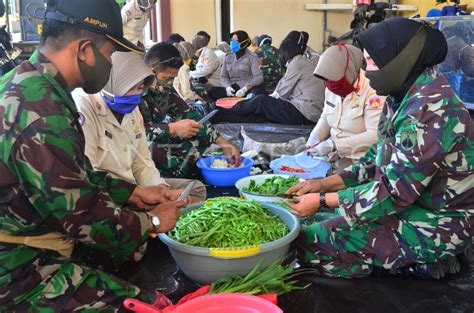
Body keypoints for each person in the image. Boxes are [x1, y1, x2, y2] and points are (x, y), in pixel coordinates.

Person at [0, 0, 185, 311]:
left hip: (35, 235)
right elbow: (83, 216)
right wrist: (152, 221)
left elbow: (75, 176)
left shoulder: (29, 82)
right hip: (18, 267)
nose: (113, 66)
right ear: (85, 50)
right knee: (143, 305)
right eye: (110, 55)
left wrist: (135, 193)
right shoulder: (42, 112)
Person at [285, 18, 474, 279]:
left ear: (400, 59)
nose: (367, 70)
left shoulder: (428, 111)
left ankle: (408, 264)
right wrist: (324, 185)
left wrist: (321, 200)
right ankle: (390, 257)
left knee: (308, 239)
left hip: (440, 222)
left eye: (372, 62)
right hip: (412, 205)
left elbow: (395, 193)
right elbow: (377, 160)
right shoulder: (404, 95)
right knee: (307, 222)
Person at [74, 51, 206, 202]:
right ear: (112, 82)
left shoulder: (132, 110)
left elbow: (142, 161)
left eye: (140, 88)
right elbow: (90, 174)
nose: (135, 96)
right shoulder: (85, 108)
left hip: (135, 184)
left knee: (195, 190)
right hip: (108, 195)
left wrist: (162, 190)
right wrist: (139, 195)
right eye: (130, 87)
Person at [140, 43, 241, 178]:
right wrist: (172, 128)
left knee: (196, 134)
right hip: (135, 144)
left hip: (158, 136)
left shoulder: (164, 87)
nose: (170, 83)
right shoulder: (134, 90)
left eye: (173, 78)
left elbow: (189, 114)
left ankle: (183, 169)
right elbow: (135, 133)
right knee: (157, 152)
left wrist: (224, 143)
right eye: (167, 78)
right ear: (151, 71)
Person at [307, 43, 384, 172]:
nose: (331, 84)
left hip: (360, 160)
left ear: (348, 71)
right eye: (327, 80)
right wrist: (316, 134)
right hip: (332, 156)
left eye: (335, 79)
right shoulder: (331, 85)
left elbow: (374, 135)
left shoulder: (372, 90)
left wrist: (334, 145)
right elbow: (326, 116)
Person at [213, 40, 325, 125]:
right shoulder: (303, 63)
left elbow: (282, 92)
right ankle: (220, 116)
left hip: (304, 112)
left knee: (261, 100)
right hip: (310, 113)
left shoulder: (297, 63)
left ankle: (228, 109)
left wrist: (253, 99)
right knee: (259, 115)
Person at [208, 30, 264, 101]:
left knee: (257, 93)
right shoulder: (228, 57)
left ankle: (245, 102)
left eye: (235, 41)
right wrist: (228, 87)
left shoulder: (252, 57)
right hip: (233, 88)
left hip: (248, 88)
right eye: (232, 40)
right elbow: (223, 76)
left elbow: (259, 77)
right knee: (212, 91)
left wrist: (245, 88)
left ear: (243, 43)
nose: (232, 43)